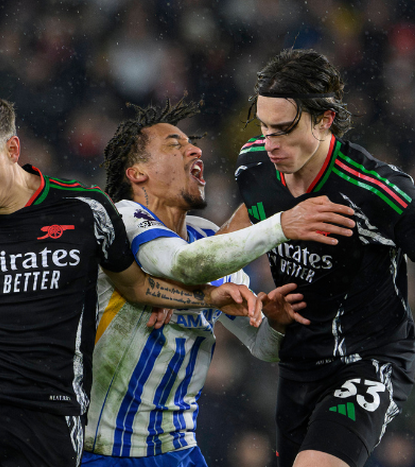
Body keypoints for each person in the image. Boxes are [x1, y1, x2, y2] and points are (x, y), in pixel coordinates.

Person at [0, 91, 263, 467]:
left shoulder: (86, 211)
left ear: (12, 149)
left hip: (49, 415)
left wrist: (206, 298)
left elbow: (135, 285)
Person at [82, 98, 356, 467]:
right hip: (107, 451)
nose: (195, 148)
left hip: (180, 452)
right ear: (137, 173)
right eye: (174, 145)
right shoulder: (123, 221)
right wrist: (280, 225)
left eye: (191, 143)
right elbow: (184, 264)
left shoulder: (208, 239)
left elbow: (262, 348)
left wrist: (273, 322)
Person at [226, 49, 415, 467]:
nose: (270, 143)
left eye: (284, 129)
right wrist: (185, 291)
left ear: (324, 120)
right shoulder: (253, 166)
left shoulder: (378, 190)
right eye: (263, 126)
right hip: (297, 364)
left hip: (369, 359)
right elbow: (228, 242)